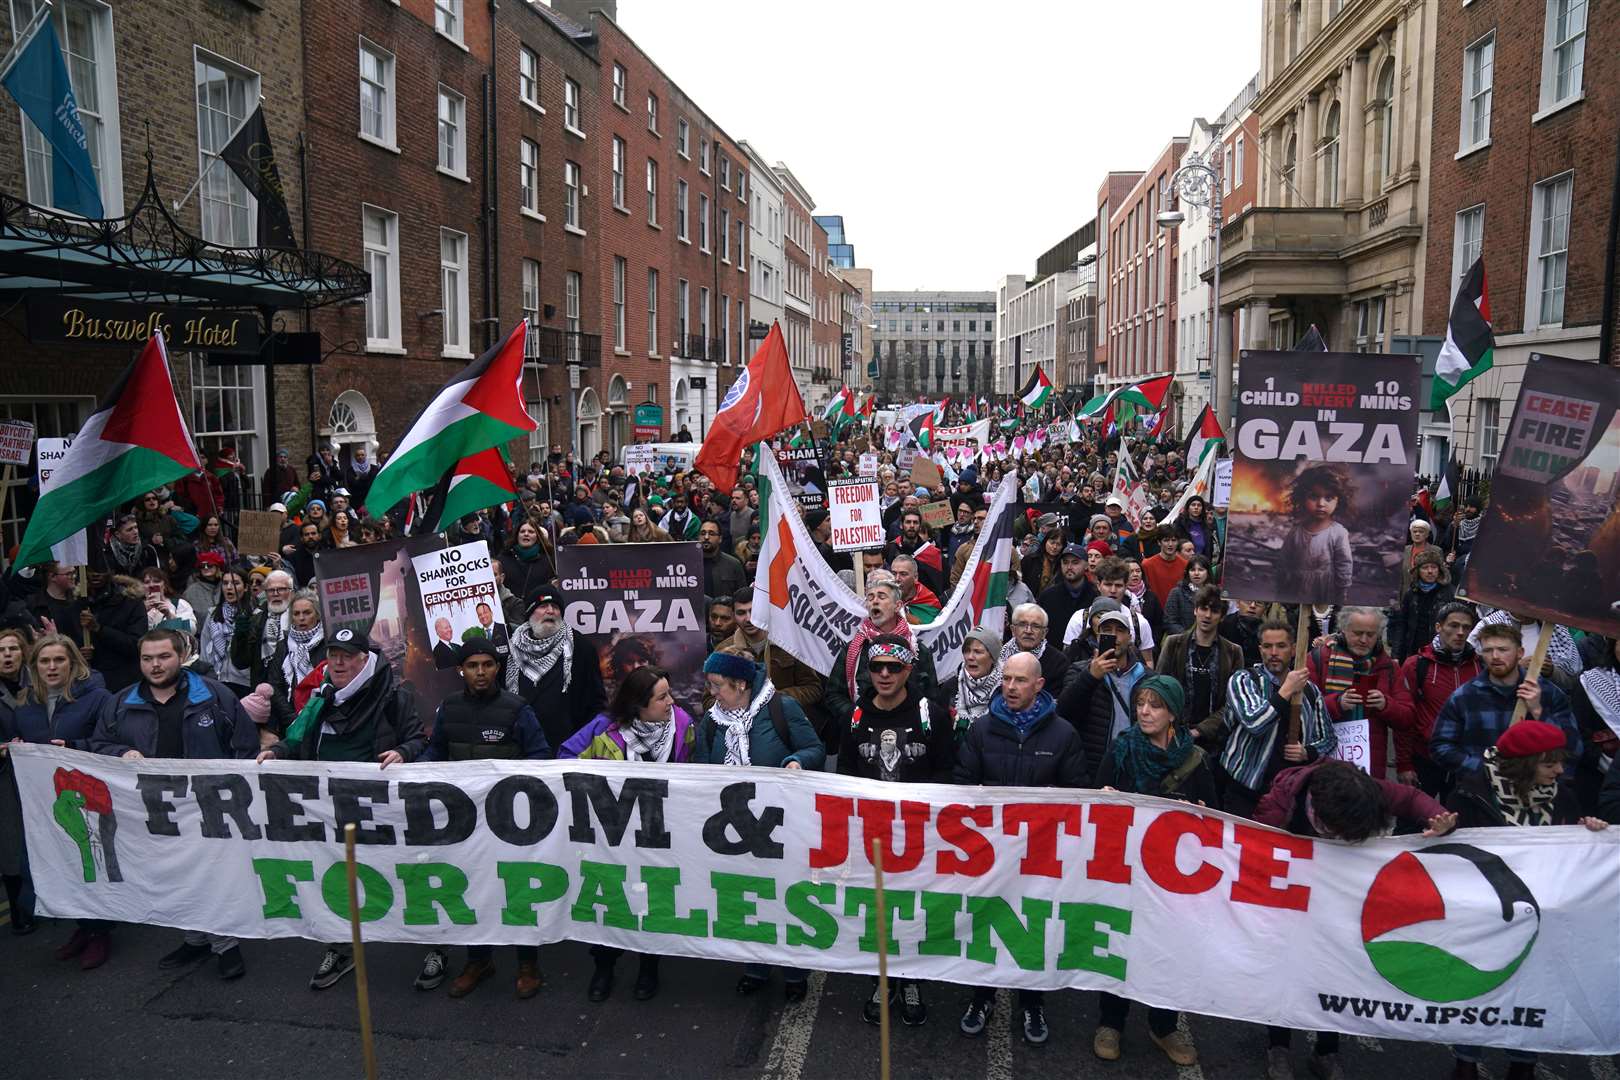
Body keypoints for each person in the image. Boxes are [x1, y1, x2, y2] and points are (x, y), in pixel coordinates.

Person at [1255, 758, 1457, 1080]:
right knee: (1287, 972)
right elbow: (1257, 851)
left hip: (1340, 906)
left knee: (1335, 972)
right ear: (1316, 813)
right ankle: (1278, 1046)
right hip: (1293, 903)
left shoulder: (1362, 791)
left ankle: (1327, 1051)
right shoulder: (1280, 805)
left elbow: (1409, 798)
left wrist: (1439, 817)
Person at [255, 627, 429, 990]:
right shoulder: (322, 698)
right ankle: (342, 945)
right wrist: (277, 753)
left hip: (382, 811)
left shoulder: (393, 697)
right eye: (333, 654)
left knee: (403, 875)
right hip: (331, 811)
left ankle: (433, 946)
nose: (338, 662)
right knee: (337, 876)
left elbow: (417, 739)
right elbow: (296, 738)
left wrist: (404, 752)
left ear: (365, 660)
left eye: (348, 655)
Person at [1445, 721, 1607, 1080]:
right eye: (1550, 764)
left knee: (1535, 987)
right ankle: (1466, 1058)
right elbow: (1451, 852)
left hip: (1542, 918)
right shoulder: (1472, 794)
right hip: (1487, 915)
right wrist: (1442, 828)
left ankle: (1523, 1063)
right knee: (1481, 988)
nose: (1561, 771)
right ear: (1525, 764)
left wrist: (1590, 832)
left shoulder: (1563, 796)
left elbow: (1572, 846)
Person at [92, 628, 257, 977]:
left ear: (181, 656)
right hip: (156, 809)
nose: (154, 665)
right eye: (147, 658)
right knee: (177, 875)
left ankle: (226, 945)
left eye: (163, 656)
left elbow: (244, 745)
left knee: (213, 876)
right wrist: (122, 751)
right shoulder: (120, 703)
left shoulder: (214, 696)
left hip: (209, 806)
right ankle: (195, 938)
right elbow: (100, 745)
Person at [954, 652, 1085, 1046]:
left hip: (1039, 858)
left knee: (1033, 929)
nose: (1010, 687)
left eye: (1020, 681)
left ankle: (1033, 1002)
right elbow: (963, 786)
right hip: (990, 855)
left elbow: (1076, 795)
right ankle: (982, 997)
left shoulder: (1063, 735)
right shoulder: (981, 731)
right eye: (1007, 679)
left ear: (1039, 685)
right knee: (985, 926)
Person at [417, 639, 549, 999]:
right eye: (472, 665)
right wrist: (411, 771)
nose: (480, 672)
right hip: (465, 822)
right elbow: (436, 750)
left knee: (517, 890)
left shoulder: (517, 709)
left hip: (511, 822)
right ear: (462, 669)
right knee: (472, 888)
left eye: (487, 665)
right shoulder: (450, 708)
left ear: (497, 668)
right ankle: (478, 960)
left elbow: (541, 757)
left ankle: (527, 965)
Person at [1092, 674, 1210, 1067]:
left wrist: (1199, 813)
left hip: (1173, 879)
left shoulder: (1195, 760)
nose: (1144, 711)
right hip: (1126, 871)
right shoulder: (1122, 750)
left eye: (1154, 705)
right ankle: (1111, 1021)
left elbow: (1215, 817)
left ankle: (1164, 1025)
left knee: (1168, 951)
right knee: (1120, 944)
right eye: (1141, 703)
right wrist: (1105, 799)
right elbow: (1095, 800)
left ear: (1173, 713)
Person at [835, 635, 954, 1027]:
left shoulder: (930, 714)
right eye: (876, 667)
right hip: (872, 834)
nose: (884, 674)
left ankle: (912, 977)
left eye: (893, 667)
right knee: (879, 910)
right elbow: (846, 774)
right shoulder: (857, 715)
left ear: (908, 670)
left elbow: (945, 770)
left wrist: (920, 806)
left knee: (915, 909)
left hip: (919, 833)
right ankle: (883, 977)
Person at [694, 649, 824, 1001]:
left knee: (785, 897)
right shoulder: (712, 721)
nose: (713, 693)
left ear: (741, 684)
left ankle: (795, 971)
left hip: (781, 828)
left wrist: (797, 761)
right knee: (748, 897)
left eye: (718, 685)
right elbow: (701, 768)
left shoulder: (782, 709)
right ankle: (755, 965)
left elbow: (814, 748)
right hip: (734, 831)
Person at [2, 635, 111, 941]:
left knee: (92, 863)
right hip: (49, 803)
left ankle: (100, 931)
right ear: (34, 666)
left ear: (73, 663)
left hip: (89, 798)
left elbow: (109, 742)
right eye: (44, 661)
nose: (52, 667)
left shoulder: (97, 697)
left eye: (59, 660)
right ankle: (82, 927)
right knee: (64, 863)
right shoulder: (24, 704)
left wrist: (76, 746)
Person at [1431, 622, 1580, 780]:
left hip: (1535, 790)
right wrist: (1487, 771)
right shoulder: (1464, 697)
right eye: (1488, 650)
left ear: (1520, 652)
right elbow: (1440, 746)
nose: (1495, 656)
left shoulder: (1549, 694)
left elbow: (1574, 748)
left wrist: (1539, 712)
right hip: (1481, 794)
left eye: (1503, 650)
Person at [1219, 619, 1336, 819]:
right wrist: (1287, 690)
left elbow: (1329, 739)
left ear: (1292, 650)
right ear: (1260, 649)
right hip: (1245, 791)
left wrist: (1307, 752)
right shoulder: (1244, 680)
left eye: (1281, 646)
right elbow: (1255, 723)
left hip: (1290, 795)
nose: (1274, 652)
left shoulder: (1310, 691)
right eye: (1267, 646)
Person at [1387, 601, 1481, 796]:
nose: (1460, 632)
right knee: (1413, 822)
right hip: (1425, 759)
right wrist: (1404, 764)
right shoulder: (1416, 665)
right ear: (1439, 627)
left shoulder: (1479, 665)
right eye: (1453, 625)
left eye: (1466, 627)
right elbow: (1405, 718)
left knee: (1460, 823)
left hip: (1464, 762)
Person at [1306, 607, 1412, 781]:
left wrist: (1386, 705)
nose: (1364, 640)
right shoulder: (1318, 659)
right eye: (1357, 633)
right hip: (1325, 759)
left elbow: (1407, 718)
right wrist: (1337, 703)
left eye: (1371, 635)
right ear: (1343, 630)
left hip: (1370, 765)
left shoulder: (1389, 667)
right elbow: (1304, 710)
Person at [824, 572, 936, 722]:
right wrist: (859, 718)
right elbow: (833, 695)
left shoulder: (918, 651)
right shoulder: (854, 649)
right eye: (870, 598)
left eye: (882, 597)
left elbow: (933, 697)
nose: (874, 601)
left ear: (898, 606)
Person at [506, 585, 607, 751]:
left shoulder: (581, 648)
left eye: (555, 607)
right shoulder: (511, 647)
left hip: (568, 746)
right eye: (543, 606)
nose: (550, 611)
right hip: (522, 747)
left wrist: (582, 744)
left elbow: (596, 702)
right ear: (530, 613)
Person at [1056, 603, 1148, 784]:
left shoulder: (1146, 677)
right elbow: (1063, 712)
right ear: (1097, 636)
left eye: (1120, 630)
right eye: (1107, 630)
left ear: (1130, 637)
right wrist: (1090, 676)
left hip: (1134, 767)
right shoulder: (1078, 670)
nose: (1114, 636)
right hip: (1092, 767)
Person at [1156, 585, 1245, 751]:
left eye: (1215, 610)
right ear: (1195, 610)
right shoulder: (1174, 644)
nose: (1208, 615)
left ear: (1222, 616)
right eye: (1203, 608)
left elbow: (1234, 702)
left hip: (1215, 741)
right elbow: (1160, 688)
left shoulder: (1233, 652)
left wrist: (1200, 731)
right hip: (1173, 734)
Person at [724, 590, 825, 731]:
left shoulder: (790, 643)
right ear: (733, 616)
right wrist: (737, 702)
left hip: (787, 727)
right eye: (741, 613)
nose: (748, 618)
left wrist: (775, 698)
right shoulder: (724, 651)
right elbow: (708, 699)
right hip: (742, 732)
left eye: (753, 611)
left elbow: (814, 689)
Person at [1275, 465, 1353, 605]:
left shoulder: (1338, 533)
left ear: (1338, 501)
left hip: (1324, 590)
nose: (1321, 504)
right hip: (1295, 588)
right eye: (1314, 497)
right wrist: (1282, 584)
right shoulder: (1296, 532)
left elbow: (1344, 565)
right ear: (1302, 498)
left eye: (1328, 498)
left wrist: (1342, 592)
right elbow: (1284, 560)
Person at [80, 573, 148, 694]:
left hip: (123, 683)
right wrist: (79, 653)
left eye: (100, 570)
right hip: (86, 682)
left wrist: (99, 629)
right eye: (91, 569)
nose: (95, 574)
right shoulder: (77, 602)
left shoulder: (131, 602)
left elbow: (136, 644)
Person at [268, 591, 326, 733]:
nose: (301, 618)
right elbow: (275, 685)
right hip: (290, 720)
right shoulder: (283, 645)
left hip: (322, 718)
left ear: (317, 614)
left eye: (307, 613)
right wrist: (292, 718)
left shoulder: (328, 643)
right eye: (296, 614)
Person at [939, 627, 1002, 744]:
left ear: (993, 657)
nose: (970, 657)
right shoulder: (951, 686)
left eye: (978, 652)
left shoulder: (1004, 689)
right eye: (967, 651)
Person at [1034, 544, 1097, 653]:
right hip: (1053, 659)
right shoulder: (1048, 596)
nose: (1069, 567)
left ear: (1086, 565)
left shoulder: (1096, 596)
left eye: (1075, 562)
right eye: (1065, 562)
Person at [1003, 603, 1069, 688]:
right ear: (1013, 630)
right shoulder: (998, 655)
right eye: (1022, 624)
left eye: (1036, 626)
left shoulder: (1058, 662)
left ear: (1044, 633)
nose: (1028, 631)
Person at [498, 520, 555, 602]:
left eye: (531, 532)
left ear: (538, 536)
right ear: (517, 535)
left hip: (538, 609)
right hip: (510, 611)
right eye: (522, 531)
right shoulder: (503, 559)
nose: (526, 534)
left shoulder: (549, 560)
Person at [1160, 556, 1212, 638]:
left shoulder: (1214, 594)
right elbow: (1169, 622)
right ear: (1187, 573)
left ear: (1208, 572)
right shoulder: (1177, 593)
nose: (1196, 573)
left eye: (1201, 570)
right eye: (1192, 570)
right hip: (1181, 642)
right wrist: (1188, 637)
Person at [699, 520, 748, 603]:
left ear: (720, 539)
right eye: (703, 533)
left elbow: (742, 597)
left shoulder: (733, 564)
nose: (706, 537)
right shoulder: (690, 564)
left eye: (711, 534)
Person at [1139, 529, 1187, 608]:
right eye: (1166, 540)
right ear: (1159, 542)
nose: (1170, 544)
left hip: (1178, 612)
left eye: (1174, 540)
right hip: (1154, 612)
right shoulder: (1147, 565)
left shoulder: (1185, 565)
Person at [103, 513, 159, 578]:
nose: (135, 532)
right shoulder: (108, 553)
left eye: (136, 527)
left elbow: (156, 578)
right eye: (129, 530)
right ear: (117, 534)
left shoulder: (148, 550)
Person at [890, 553, 941, 624]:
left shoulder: (929, 602)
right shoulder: (883, 597)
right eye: (893, 573)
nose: (897, 579)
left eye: (903, 574)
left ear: (915, 577)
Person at [1220, 598, 1268, 668]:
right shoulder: (1223, 625)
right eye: (1248, 601)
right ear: (1238, 603)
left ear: (1265, 608)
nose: (1252, 606)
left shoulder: (1267, 633)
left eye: (1259, 602)